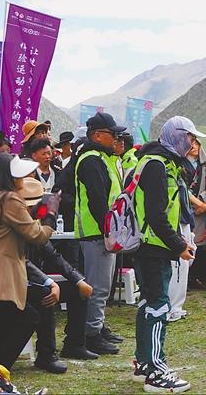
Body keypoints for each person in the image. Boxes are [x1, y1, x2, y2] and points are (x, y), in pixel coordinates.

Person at [0, 155, 56, 369]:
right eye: (20, 174)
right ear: (9, 176)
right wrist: (51, 214)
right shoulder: (8, 199)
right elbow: (37, 236)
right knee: (25, 319)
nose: (23, 178)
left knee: (7, 321)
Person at [130, 116, 199, 393]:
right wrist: (178, 245)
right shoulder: (157, 165)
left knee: (149, 303)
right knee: (158, 306)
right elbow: (156, 215)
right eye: (190, 138)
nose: (192, 144)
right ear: (178, 137)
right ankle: (156, 372)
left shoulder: (159, 162)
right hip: (153, 246)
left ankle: (144, 363)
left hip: (152, 244)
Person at [19, 178, 96, 373]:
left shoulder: (33, 225)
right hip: (16, 284)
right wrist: (48, 282)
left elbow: (53, 256)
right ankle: (46, 354)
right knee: (46, 295)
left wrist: (78, 280)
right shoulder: (16, 226)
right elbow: (23, 263)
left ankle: (75, 343)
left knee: (78, 290)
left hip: (33, 280)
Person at [74, 112, 126, 355]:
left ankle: (98, 326)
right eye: (112, 134)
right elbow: (97, 200)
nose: (116, 138)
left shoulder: (100, 158)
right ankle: (92, 334)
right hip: (97, 233)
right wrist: (109, 231)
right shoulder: (92, 160)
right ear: (97, 135)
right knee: (98, 286)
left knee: (102, 285)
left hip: (101, 231)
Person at [185, 137, 206, 290]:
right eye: (191, 143)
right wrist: (195, 203)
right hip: (185, 207)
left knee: (200, 243)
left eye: (196, 143)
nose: (194, 146)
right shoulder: (180, 164)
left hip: (201, 208)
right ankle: (186, 277)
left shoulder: (205, 165)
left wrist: (204, 202)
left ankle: (198, 276)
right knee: (186, 241)